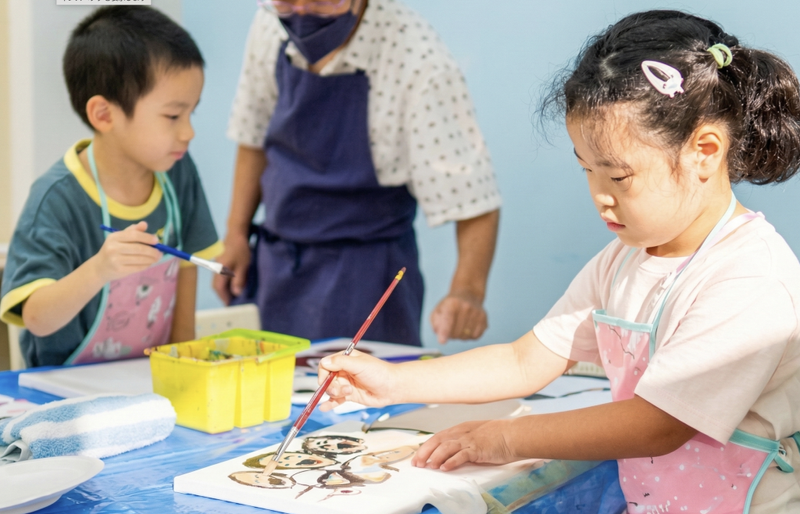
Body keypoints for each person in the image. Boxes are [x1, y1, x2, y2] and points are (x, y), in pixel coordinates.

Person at [318, 10, 800, 511]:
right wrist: (395, 380)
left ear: (705, 150)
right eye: (586, 170)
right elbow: (525, 359)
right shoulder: (622, 261)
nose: (600, 197)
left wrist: (505, 438)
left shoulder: (750, 275)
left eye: (618, 177)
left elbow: (656, 424)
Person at [213, 0, 501, 346]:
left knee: (360, 394)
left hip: (366, 277)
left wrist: (467, 292)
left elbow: (471, 196)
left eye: (321, 2)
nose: (301, 13)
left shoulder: (419, 60)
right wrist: (235, 235)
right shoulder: (271, 23)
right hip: (276, 264)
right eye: (287, 0)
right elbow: (253, 135)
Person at [0, 7, 221, 367]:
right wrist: (98, 270)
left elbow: (187, 268)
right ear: (104, 114)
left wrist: (183, 364)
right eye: (172, 116)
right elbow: (36, 319)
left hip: (146, 382)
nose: (188, 132)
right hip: (63, 394)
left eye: (191, 113)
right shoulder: (55, 200)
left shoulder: (178, 172)